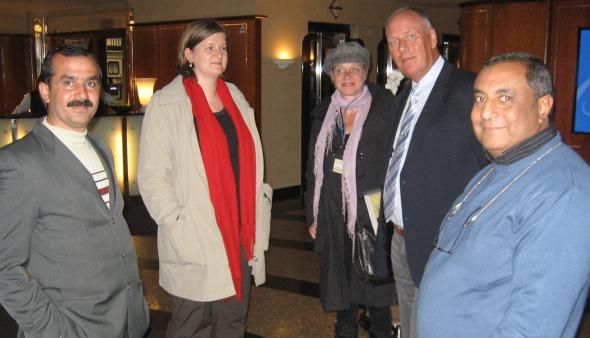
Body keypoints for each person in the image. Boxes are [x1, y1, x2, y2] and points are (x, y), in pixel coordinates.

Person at [416, 52, 590, 338]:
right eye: (481, 98)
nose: (485, 112)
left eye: (505, 98)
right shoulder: (499, 167)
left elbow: (533, 328)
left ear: (543, 106)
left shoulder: (562, 192)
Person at [0, 44, 149, 337]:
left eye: (90, 83)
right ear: (45, 91)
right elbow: (5, 271)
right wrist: (55, 331)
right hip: (72, 326)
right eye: (68, 82)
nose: (82, 93)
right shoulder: (19, 163)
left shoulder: (100, 147)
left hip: (126, 319)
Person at [137, 20, 271, 338]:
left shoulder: (236, 98)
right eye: (209, 47)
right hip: (195, 231)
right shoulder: (167, 104)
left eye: (223, 47)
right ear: (189, 54)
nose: (218, 53)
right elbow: (152, 175)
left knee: (233, 318)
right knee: (191, 323)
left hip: (239, 229)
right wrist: (177, 221)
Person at [382, 7, 488, 338]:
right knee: (414, 324)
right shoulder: (403, 98)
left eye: (410, 37)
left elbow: (493, 172)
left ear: (432, 38)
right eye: (394, 42)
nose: (402, 48)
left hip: (447, 247)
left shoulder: (469, 89)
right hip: (402, 240)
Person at [305, 42, 397, 338]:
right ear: (331, 75)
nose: (347, 76)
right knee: (341, 285)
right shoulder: (323, 114)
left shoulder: (386, 109)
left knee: (376, 287)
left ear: (366, 72)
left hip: (371, 209)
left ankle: (380, 332)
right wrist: (313, 215)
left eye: (354, 69)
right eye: (340, 70)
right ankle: (344, 332)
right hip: (332, 210)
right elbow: (312, 169)